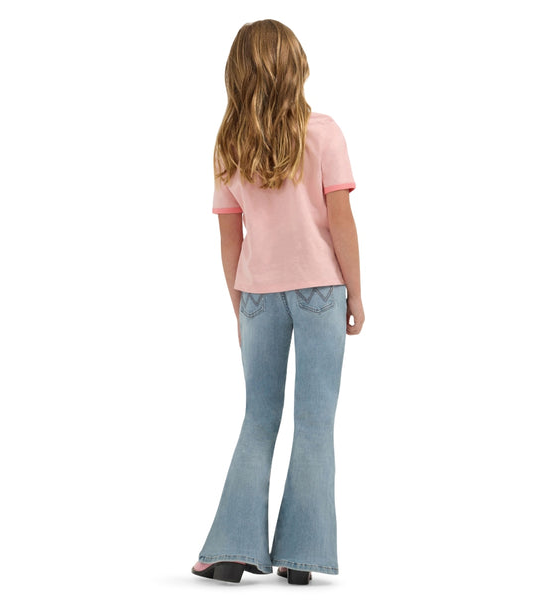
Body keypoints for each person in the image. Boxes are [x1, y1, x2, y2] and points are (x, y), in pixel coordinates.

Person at [191, 18, 364, 585]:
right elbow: (341, 221)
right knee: (315, 421)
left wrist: (239, 306)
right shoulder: (324, 133)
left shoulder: (229, 146)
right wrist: (356, 293)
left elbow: (229, 238)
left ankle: (231, 551)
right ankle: (300, 558)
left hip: (257, 295)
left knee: (258, 418)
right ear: (296, 66)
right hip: (320, 292)